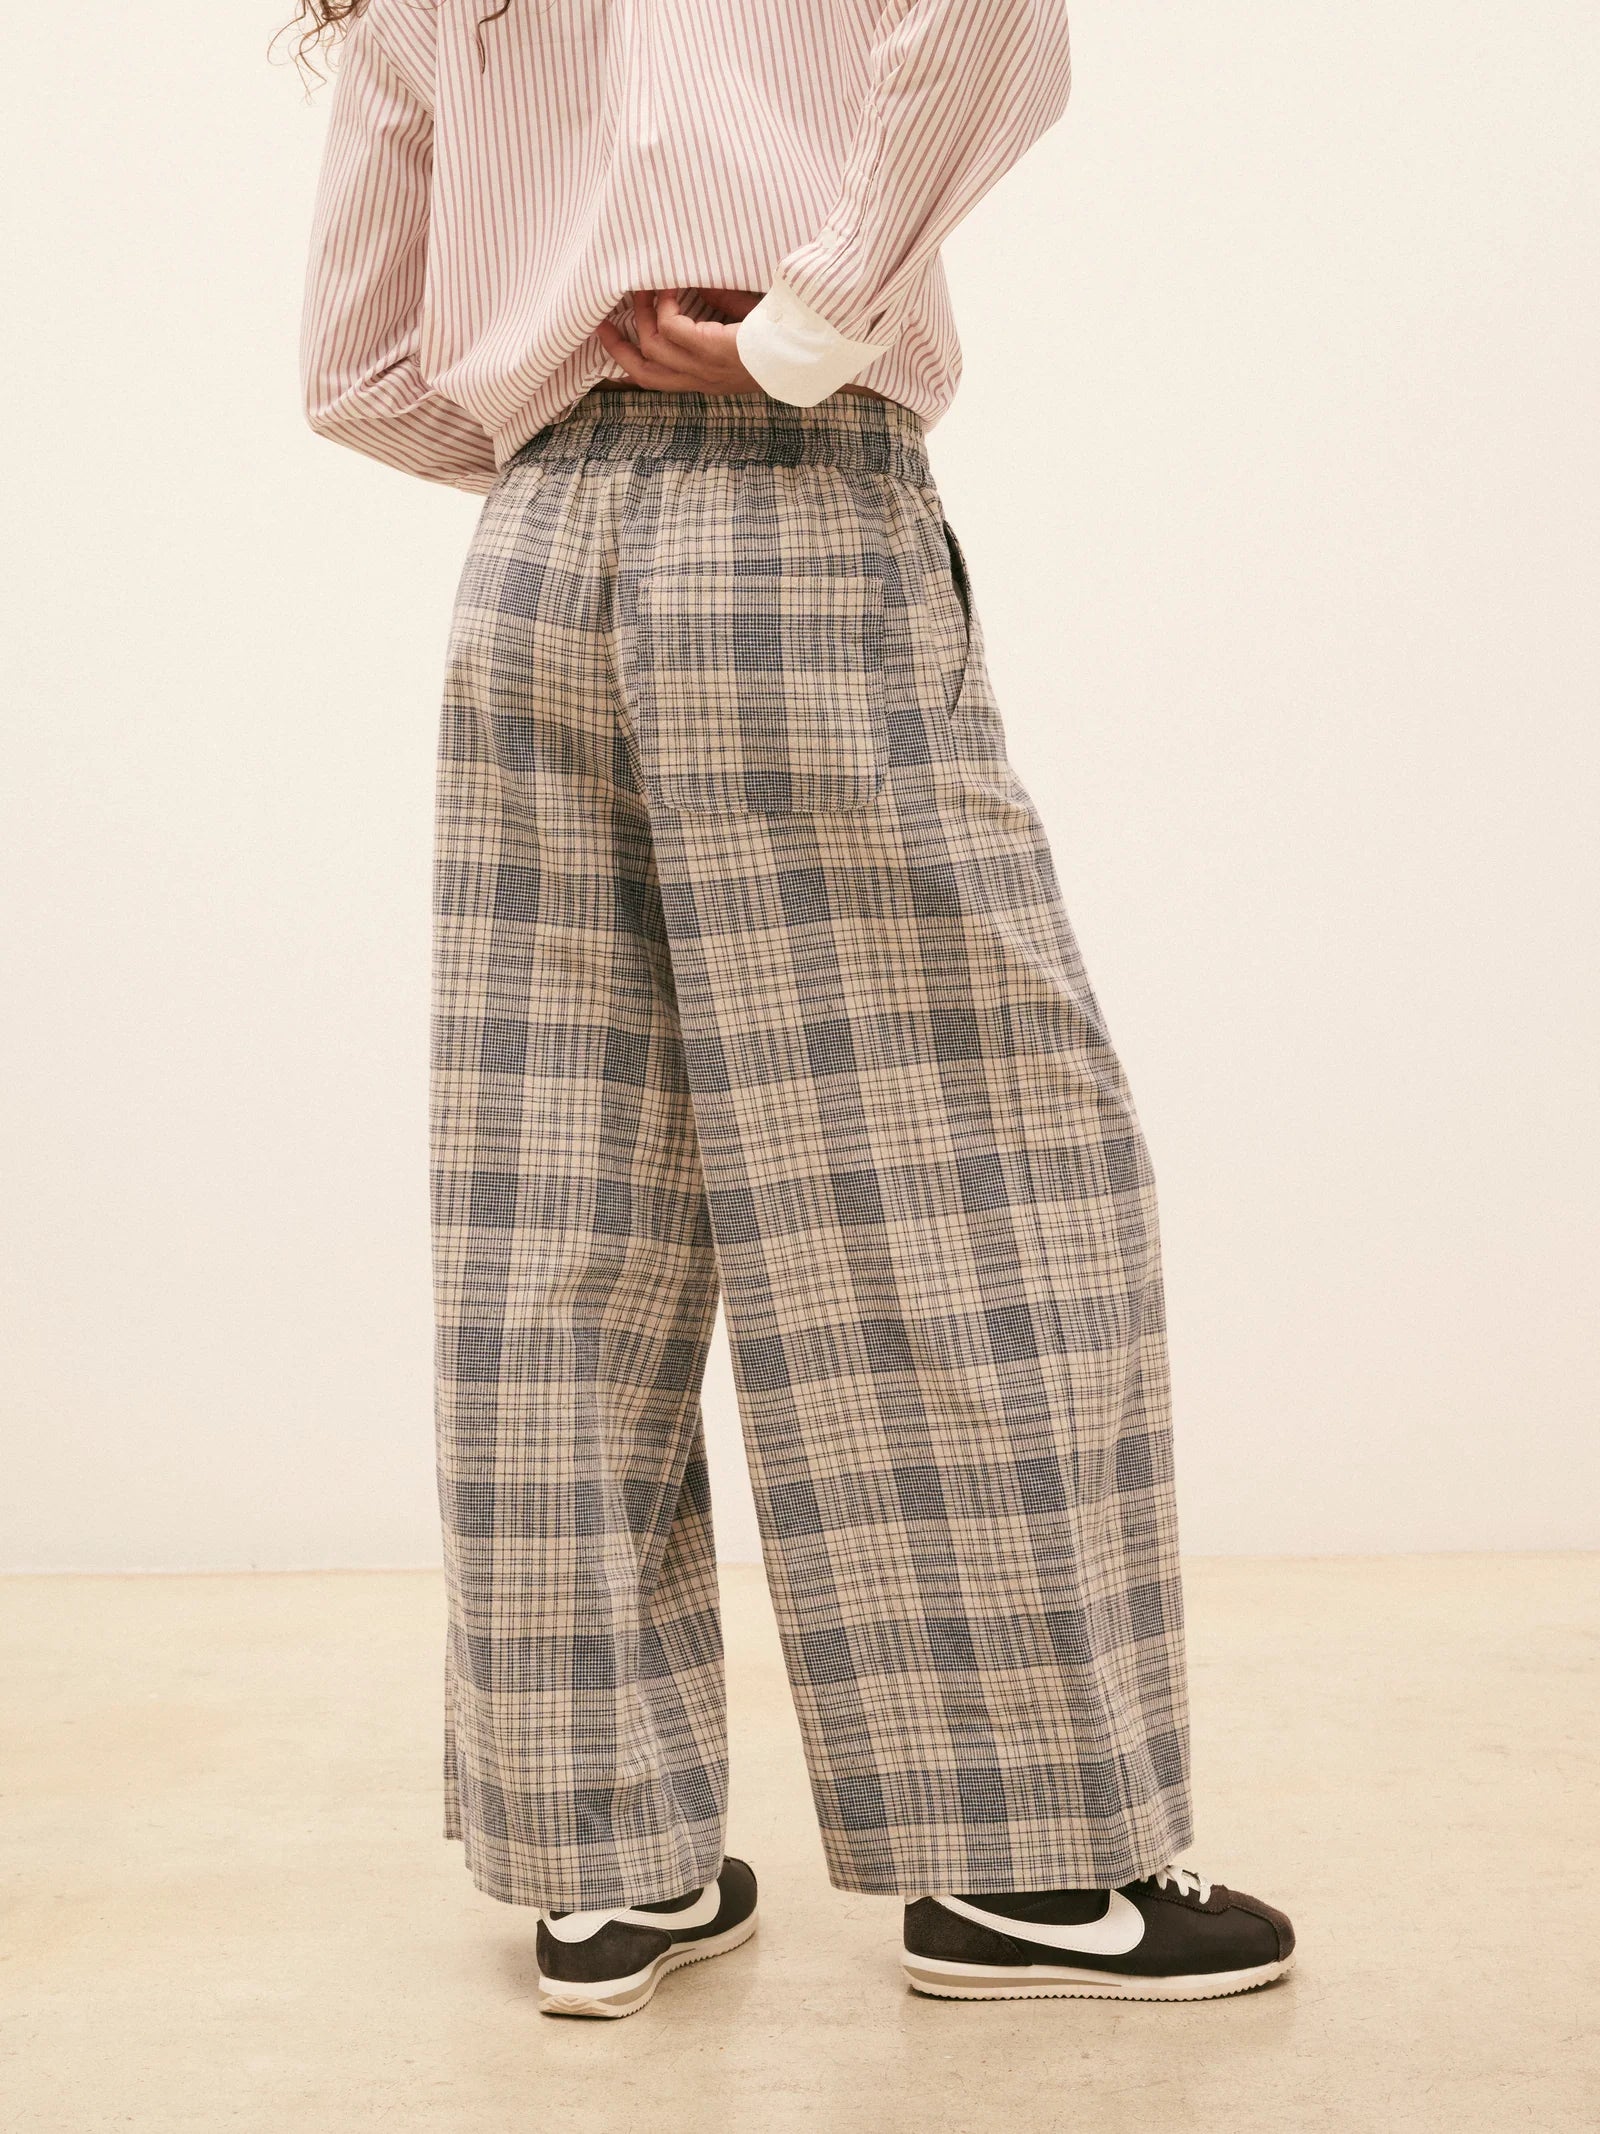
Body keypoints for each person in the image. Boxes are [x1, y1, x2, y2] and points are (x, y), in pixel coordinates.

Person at [296, 0, 1295, 2018]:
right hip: (790, 519)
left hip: (535, 564)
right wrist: (809, 327)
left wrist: (558, 400)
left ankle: (605, 1865)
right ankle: (1026, 1864)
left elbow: (357, 372)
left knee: (563, 1203)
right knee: (964, 1183)